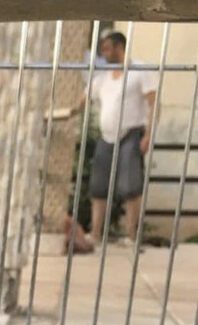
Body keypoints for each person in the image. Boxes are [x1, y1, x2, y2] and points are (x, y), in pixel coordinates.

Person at [75, 31, 158, 246]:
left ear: (119, 47)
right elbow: (83, 101)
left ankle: (131, 236)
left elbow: (154, 104)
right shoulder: (102, 78)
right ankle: (95, 234)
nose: (103, 54)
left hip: (131, 134)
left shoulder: (139, 71)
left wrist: (148, 135)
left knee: (130, 187)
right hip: (106, 137)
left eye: (107, 49)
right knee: (98, 186)